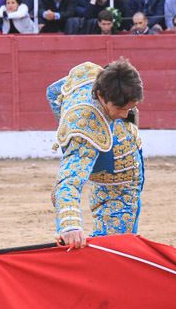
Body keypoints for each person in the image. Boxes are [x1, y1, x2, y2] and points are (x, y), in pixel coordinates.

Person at [46, 59, 145, 248]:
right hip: (114, 190)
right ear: (100, 95)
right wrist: (70, 224)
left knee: (120, 247)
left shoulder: (93, 75)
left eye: (129, 108)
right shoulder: (84, 131)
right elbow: (68, 182)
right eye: (120, 109)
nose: (126, 115)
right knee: (112, 250)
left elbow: (54, 91)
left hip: (128, 174)